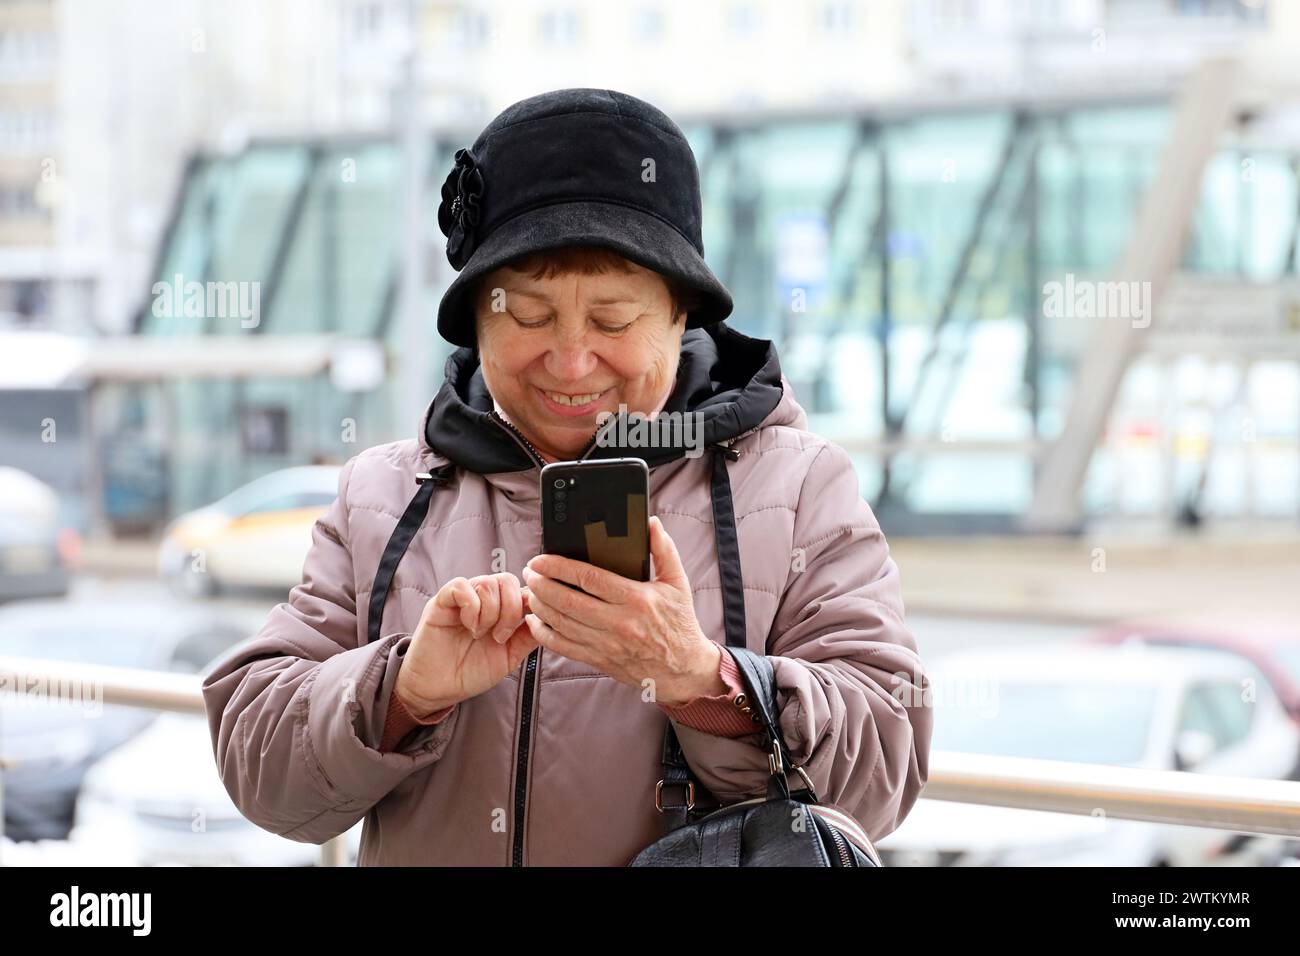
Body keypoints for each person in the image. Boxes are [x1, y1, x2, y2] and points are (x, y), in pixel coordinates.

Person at [202, 88, 931, 866]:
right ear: (477, 316)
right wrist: (404, 694)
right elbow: (263, 772)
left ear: (683, 315)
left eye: (614, 320)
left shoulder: (799, 486)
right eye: (529, 317)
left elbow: (887, 766)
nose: (573, 361)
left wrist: (700, 682)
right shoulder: (383, 492)